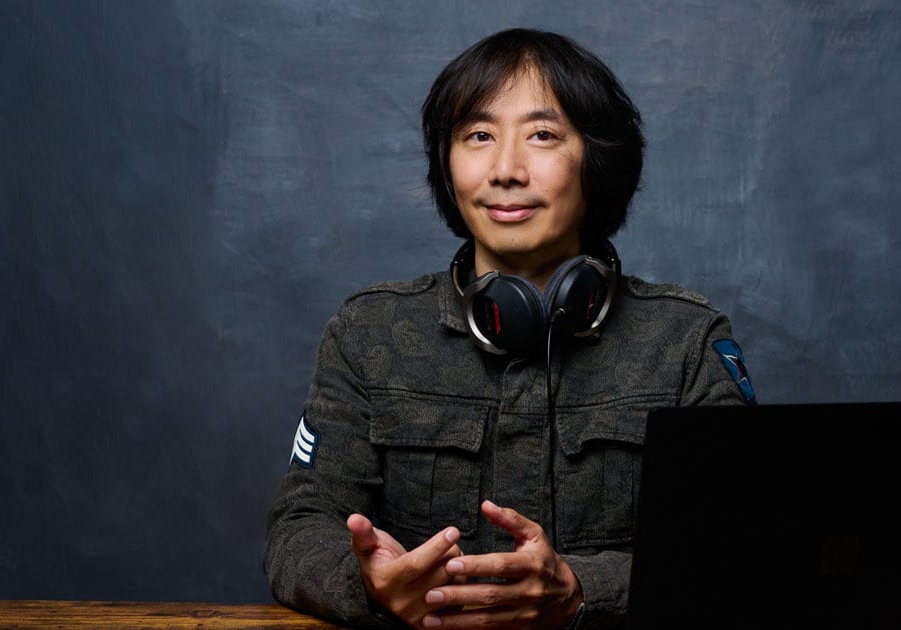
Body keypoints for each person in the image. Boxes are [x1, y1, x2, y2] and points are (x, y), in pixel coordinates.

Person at [264, 28, 756, 629]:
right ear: (447, 163)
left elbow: (741, 548)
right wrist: (371, 584)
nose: (505, 170)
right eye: (478, 136)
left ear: (596, 160)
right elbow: (298, 529)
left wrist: (583, 590)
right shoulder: (368, 333)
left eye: (542, 135)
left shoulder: (686, 342)